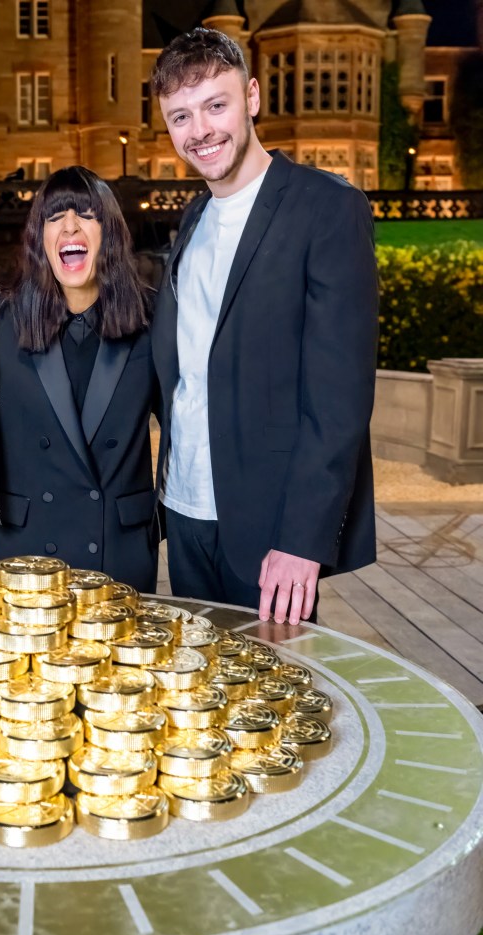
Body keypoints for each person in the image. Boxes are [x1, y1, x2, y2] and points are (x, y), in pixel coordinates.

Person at [150, 28, 378, 625]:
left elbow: (340, 397)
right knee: (199, 701)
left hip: (270, 522)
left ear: (251, 97)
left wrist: (305, 538)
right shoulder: (194, 216)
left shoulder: (326, 207)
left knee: (272, 705)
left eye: (215, 105)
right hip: (185, 510)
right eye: (180, 116)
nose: (199, 130)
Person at [0, 166, 160, 591]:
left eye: (87, 214)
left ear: (110, 232)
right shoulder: (0, 324)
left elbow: (192, 429)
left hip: (119, 551)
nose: (69, 226)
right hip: (26, 553)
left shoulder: (153, 319)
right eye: (54, 217)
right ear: (39, 238)